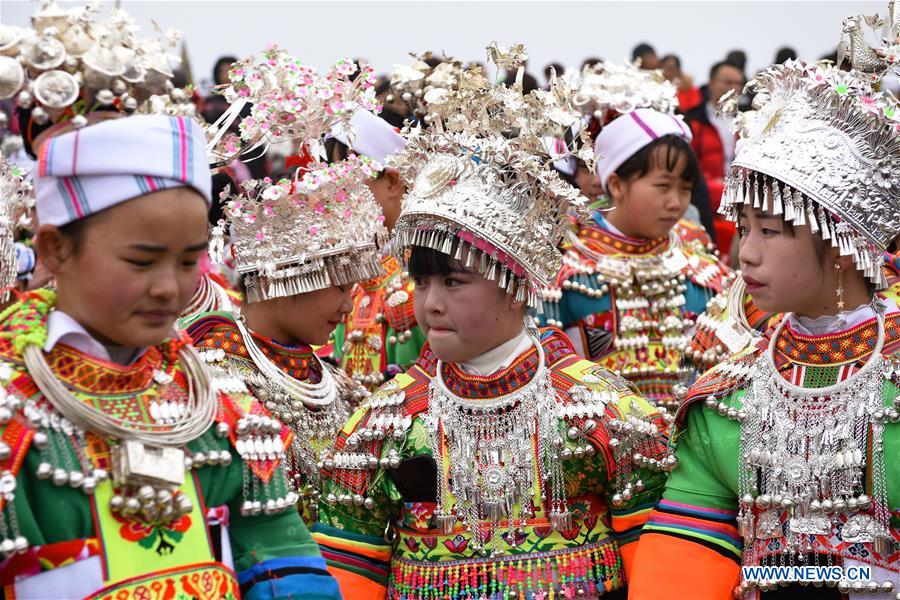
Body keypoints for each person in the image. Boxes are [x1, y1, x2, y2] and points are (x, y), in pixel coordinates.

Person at [313, 47, 672, 600]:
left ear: (516, 282)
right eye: (423, 281)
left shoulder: (605, 415)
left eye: (454, 282)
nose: (430, 303)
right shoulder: (380, 427)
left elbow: (659, 569)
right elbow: (347, 573)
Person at [630, 54, 900, 599]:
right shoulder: (725, 393)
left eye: (771, 231)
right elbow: (683, 559)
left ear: (841, 243)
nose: (745, 254)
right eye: (744, 228)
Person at [188, 47, 381, 524]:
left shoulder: (340, 386)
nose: (347, 305)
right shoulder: (209, 378)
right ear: (287, 271)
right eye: (339, 285)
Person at [541, 61, 731, 409]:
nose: (676, 203)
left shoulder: (698, 256)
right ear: (616, 183)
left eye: (686, 189)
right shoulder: (566, 260)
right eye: (662, 187)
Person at [327, 109, 427, 390]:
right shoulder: (354, 282)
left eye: (349, 188)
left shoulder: (425, 273)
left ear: (394, 183)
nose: (338, 202)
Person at [684, 60, 745, 257]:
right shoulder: (692, 121)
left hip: (740, 198)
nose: (733, 88)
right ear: (711, 83)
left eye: (737, 83)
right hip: (706, 198)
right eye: (727, 82)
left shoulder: (750, 120)